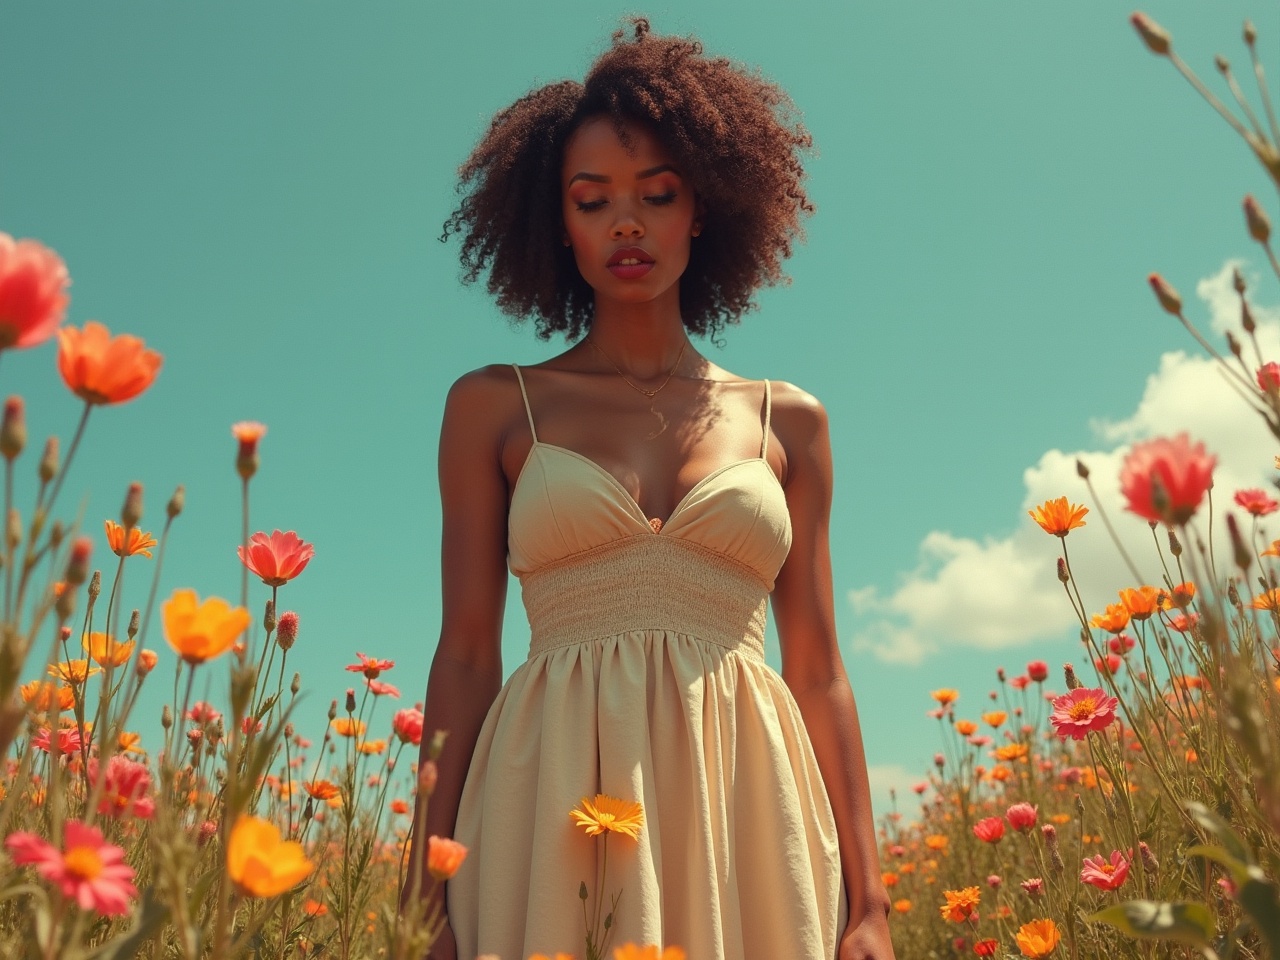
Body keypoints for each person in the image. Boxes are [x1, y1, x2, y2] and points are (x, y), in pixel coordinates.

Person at [405, 19, 894, 960]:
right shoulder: (492, 407)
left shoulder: (790, 420)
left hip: (746, 800)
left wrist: (869, 902)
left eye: (656, 194)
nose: (626, 223)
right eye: (593, 201)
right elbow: (466, 654)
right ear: (560, 223)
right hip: (552, 787)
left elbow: (820, 668)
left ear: (701, 209)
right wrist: (422, 886)